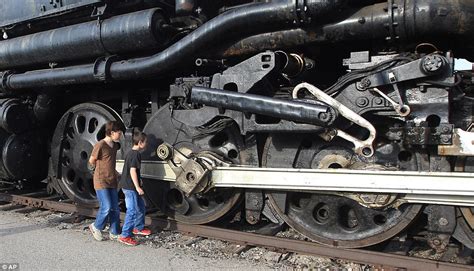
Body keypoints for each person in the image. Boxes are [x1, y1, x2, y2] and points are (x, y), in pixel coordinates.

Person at [88, 121, 123, 241]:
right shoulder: (100, 145)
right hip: (101, 180)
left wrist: (116, 173)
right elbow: (91, 160)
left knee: (115, 208)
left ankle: (114, 232)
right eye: (119, 133)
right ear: (112, 133)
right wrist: (99, 171)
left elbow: (109, 163)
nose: (121, 135)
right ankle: (96, 226)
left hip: (112, 180)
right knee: (106, 206)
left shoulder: (114, 146)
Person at [118, 130, 151, 246]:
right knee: (132, 210)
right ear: (140, 142)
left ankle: (138, 228)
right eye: (145, 142)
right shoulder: (136, 154)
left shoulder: (130, 152)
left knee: (140, 206)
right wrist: (137, 187)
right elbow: (132, 171)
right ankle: (125, 235)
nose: (146, 144)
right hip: (130, 187)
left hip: (128, 185)